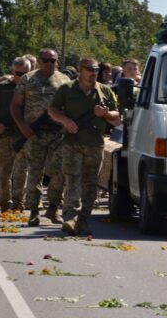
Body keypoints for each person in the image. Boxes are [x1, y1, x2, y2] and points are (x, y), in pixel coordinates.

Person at [49, 57, 120, 236]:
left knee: (90, 183)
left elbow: (117, 117)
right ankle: (70, 218)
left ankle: (84, 220)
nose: (93, 73)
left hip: (95, 144)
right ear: (81, 70)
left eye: (96, 70)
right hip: (72, 143)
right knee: (72, 179)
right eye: (90, 69)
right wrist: (65, 120)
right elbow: (52, 109)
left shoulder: (104, 91)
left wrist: (105, 114)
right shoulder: (67, 89)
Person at [11, 48, 70, 226]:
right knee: (35, 173)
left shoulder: (64, 80)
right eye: (45, 60)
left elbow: (69, 106)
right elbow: (15, 105)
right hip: (34, 134)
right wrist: (22, 126)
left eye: (52, 60)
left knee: (59, 171)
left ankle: (53, 208)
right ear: (39, 60)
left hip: (58, 134)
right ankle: (34, 211)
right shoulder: (28, 79)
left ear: (57, 61)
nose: (48, 63)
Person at [0, 57, 30, 212]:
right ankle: (4, 203)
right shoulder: (3, 88)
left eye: (25, 73)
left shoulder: (32, 89)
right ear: (12, 71)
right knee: (4, 171)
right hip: (3, 136)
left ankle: (18, 203)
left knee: (21, 170)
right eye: (18, 73)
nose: (21, 76)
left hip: (23, 136)